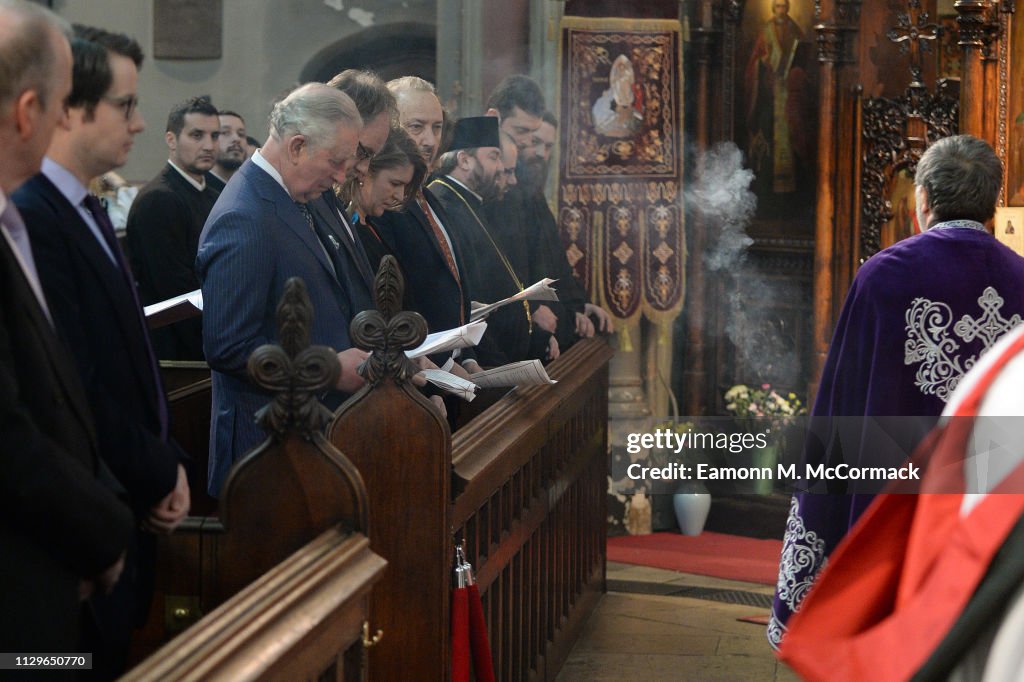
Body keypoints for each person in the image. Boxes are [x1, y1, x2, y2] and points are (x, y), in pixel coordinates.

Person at [770, 134, 1024, 648]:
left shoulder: (884, 276)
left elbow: (841, 406)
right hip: (992, 500)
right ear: (992, 202)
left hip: (894, 504)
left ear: (922, 199)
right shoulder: (1021, 278)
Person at [14, 24, 191, 675]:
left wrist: (164, 460)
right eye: (125, 104)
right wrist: (150, 473)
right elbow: (70, 381)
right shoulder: (33, 214)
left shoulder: (82, 207)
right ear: (67, 108)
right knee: (59, 664)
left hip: (115, 505)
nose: (140, 123)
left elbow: (129, 361)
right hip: (73, 526)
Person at [0, 0, 133, 657]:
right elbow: (8, 433)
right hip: (20, 591)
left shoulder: (12, 223)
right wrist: (105, 532)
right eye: (58, 103)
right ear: (28, 111)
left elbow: (59, 397)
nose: (64, 120)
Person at [196, 83, 369, 497]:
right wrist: (328, 366)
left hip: (306, 440)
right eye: (336, 161)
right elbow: (227, 345)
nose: (342, 176)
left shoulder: (289, 197)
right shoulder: (244, 215)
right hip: (266, 452)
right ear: (296, 147)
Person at [372, 76, 483, 380]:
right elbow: (395, 299)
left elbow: (451, 284)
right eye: (416, 126)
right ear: (389, 127)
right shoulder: (384, 202)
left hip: (454, 367)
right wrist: (444, 363)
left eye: (437, 127)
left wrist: (466, 354)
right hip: (421, 370)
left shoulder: (429, 195)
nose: (431, 141)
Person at [430, 116, 556, 365]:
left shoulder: (471, 203)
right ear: (465, 160)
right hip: (480, 360)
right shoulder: (443, 203)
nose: (500, 168)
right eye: (493, 157)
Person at [126, 95, 220, 360]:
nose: (209, 145)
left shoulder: (212, 194)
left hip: (207, 331)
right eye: (197, 135)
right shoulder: (158, 200)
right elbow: (177, 294)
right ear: (171, 140)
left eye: (215, 136)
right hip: (174, 351)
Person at [744, 0, 812, 197]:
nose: (781, 10)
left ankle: (794, 195)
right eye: (778, 6)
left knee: (793, 134)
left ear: (788, 8)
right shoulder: (766, 31)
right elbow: (753, 63)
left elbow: (803, 59)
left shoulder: (795, 30)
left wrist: (795, 72)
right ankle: (766, 193)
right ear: (773, 8)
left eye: (784, 6)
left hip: (789, 93)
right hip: (769, 95)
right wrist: (762, 64)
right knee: (768, 134)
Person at [341, 124, 427, 275]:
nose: (399, 196)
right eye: (395, 183)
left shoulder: (371, 224)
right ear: (366, 169)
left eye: (405, 187)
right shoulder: (343, 227)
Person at [206, 109, 247, 192]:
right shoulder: (199, 188)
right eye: (225, 132)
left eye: (241, 134)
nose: (236, 139)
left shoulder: (249, 191)